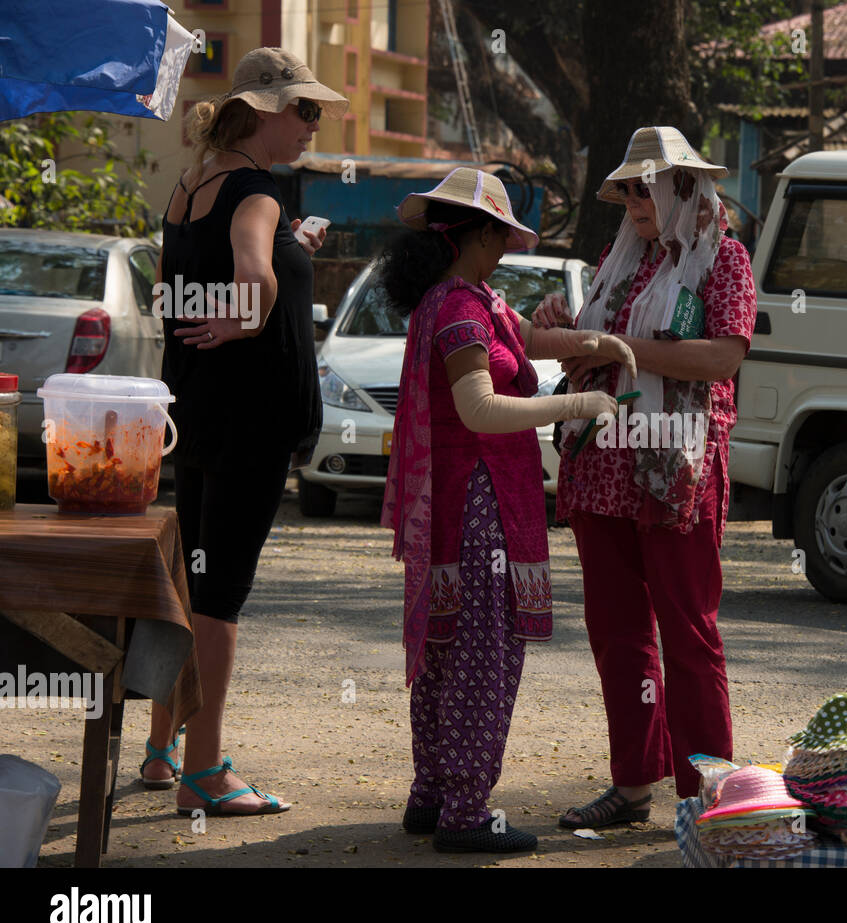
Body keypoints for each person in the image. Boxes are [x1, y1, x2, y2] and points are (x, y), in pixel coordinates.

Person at [379, 168, 635, 853]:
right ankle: (465, 810)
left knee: (446, 649)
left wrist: (591, 343)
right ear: (481, 232)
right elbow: (479, 407)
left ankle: (432, 792)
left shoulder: (461, 298)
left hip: (459, 504)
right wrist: (579, 403)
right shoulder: (461, 310)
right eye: (502, 232)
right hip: (478, 503)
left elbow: (522, 339)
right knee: (481, 656)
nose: (507, 246)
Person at [532, 126, 757, 828]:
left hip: (674, 466)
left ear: (684, 187)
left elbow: (722, 358)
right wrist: (565, 330)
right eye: (626, 186)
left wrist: (616, 346)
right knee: (617, 629)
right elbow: (589, 353)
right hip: (603, 462)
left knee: (688, 631)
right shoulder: (617, 260)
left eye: (644, 184)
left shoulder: (724, 261)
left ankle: (708, 797)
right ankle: (632, 784)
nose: (632, 197)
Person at [141, 48, 347, 813]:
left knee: (188, 583)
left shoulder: (193, 182)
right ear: (265, 110)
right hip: (249, 424)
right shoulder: (257, 189)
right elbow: (255, 277)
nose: (312, 126)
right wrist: (243, 319)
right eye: (306, 111)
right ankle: (205, 775)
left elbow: (166, 287)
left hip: (196, 411)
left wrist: (280, 263)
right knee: (219, 596)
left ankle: (162, 749)